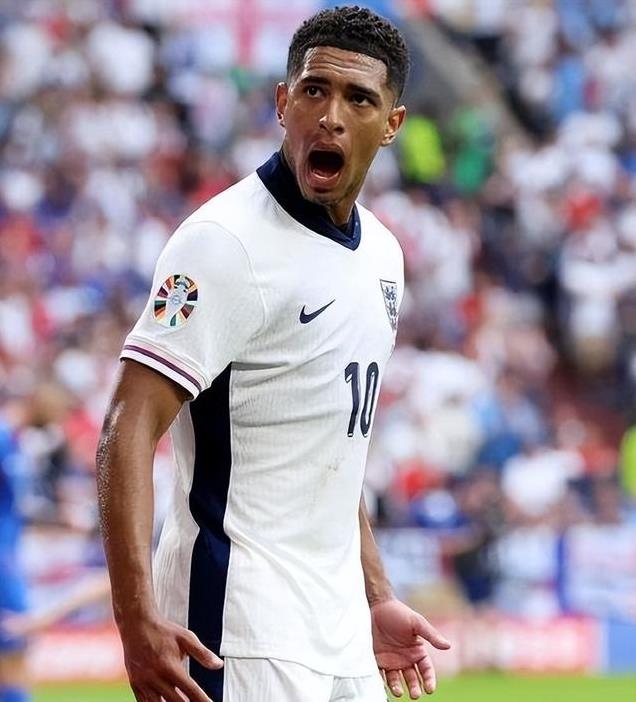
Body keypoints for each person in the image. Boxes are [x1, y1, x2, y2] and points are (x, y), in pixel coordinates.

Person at [96, 7, 450, 702]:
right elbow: (126, 429)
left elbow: (328, 450)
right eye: (315, 91)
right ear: (283, 102)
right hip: (237, 627)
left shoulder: (384, 254)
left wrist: (377, 594)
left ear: (393, 124)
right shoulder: (224, 244)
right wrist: (135, 620)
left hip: (342, 632)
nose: (331, 116)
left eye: (358, 99)